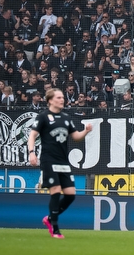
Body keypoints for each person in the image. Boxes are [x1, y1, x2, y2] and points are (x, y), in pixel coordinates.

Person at [27, 87, 94, 239]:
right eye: (58, 97)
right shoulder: (43, 117)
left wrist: (86, 131)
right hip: (49, 160)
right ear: (50, 100)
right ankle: (55, 229)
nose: (62, 99)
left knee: (71, 195)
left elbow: (76, 136)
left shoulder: (66, 117)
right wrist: (31, 153)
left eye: (62, 97)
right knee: (56, 191)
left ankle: (49, 219)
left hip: (63, 162)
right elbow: (32, 136)